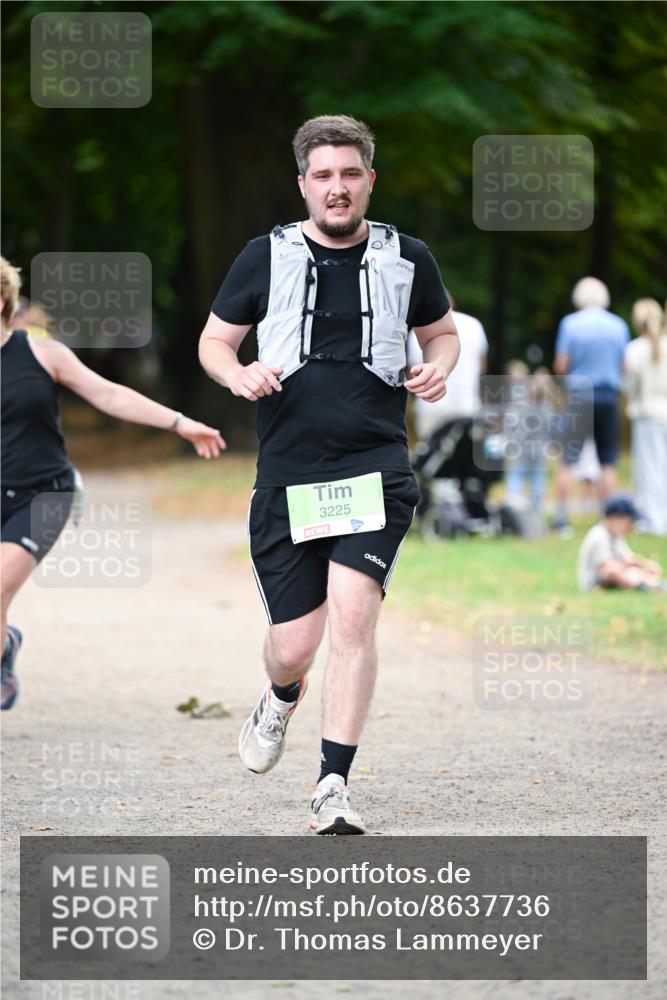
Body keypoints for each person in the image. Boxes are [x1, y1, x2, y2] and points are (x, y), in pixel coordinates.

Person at [199, 115, 459, 834]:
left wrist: (437, 367)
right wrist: (237, 374)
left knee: (354, 613)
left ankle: (332, 784)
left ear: (369, 179)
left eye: (349, 174)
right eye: (323, 176)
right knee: (293, 646)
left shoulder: (408, 257)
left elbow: (441, 332)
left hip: (375, 466)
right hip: (289, 472)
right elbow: (214, 341)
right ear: (303, 185)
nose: (337, 188)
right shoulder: (264, 256)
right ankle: (281, 696)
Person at [1, 256, 227, 711]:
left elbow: (108, 394)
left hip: (42, 494)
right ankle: (7, 644)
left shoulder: (42, 354)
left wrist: (179, 422)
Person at [552, 277, 630, 531]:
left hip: (579, 395)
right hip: (608, 396)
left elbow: (561, 365)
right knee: (607, 461)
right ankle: (611, 520)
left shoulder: (570, 324)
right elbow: (624, 366)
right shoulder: (618, 325)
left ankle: (561, 520)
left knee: (568, 460)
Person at [624, 298, 667, 535]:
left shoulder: (634, 349)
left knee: (649, 470)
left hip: (647, 415)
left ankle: (654, 520)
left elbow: (629, 386)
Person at [577, 495, 664, 592]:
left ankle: (649, 583)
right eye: (630, 522)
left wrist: (645, 565)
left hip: (615, 573)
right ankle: (643, 584)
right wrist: (632, 569)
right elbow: (607, 568)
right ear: (616, 518)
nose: (632, 527)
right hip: (596, 583)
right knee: (618, 571)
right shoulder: (599, 536)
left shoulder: (615, 536)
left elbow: (628, 558)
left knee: (642, 569)